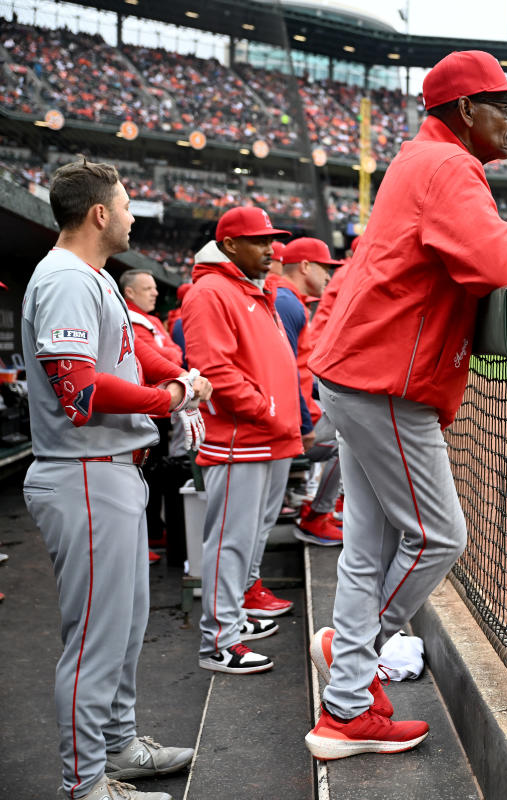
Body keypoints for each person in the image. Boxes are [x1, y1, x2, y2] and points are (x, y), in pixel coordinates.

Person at [304, 49, 507, 761]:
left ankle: (345, 711)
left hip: (360, 371)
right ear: (463, 111)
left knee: (369, 548)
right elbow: (496, 263)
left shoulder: (420, 159)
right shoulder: (449, 165)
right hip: (385, 377)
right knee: (440, 535)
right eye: (502, 104)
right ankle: (351, 660)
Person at [22, 158, 210, 800]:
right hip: (81, 474)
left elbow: (129, 356)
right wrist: (173, 399)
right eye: (127, 205)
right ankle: (85, 782)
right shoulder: (67, 278)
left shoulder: (92, 277)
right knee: (95, 641)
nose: (133, 215)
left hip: (109, 472)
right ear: (100, 213)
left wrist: (175, 377)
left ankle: (119, 748)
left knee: (124, 630)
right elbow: (76, 388)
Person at [183, 206, 304, 674]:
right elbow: (213, 371)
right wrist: (267, 409)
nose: (270, 249)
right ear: (230, 244)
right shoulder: (210, 291)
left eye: (272, 240)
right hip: (240, 438)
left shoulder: (253, 289)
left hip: (268, 437)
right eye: (259, 241)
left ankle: (233, 618)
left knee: (250, 537)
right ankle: (219, 641)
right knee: (229, 542)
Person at [277, 236, 344, 547]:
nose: (328, 276)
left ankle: (322, 512)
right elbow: (284, 372)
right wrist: (304, 425)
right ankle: (319, 516)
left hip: (288, 420)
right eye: (323, 267)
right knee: (354, 438)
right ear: (304, 266)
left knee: (354, 431)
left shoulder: (288, 300)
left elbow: (297, 373)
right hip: (285, 428)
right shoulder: (286, 302)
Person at [120, 269, 185, 565]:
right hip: (141, 406)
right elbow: (163, 357)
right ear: (130, 292)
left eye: (155, 287)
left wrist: (167, 355)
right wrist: (168, 355)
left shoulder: (154, 319)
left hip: (159, 405)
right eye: (147, 288)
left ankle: (152, 531)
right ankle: (139, 539)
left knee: (156, 473)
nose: (155, 292)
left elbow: (173, 353)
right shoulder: (130, 317)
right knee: (141, 475)